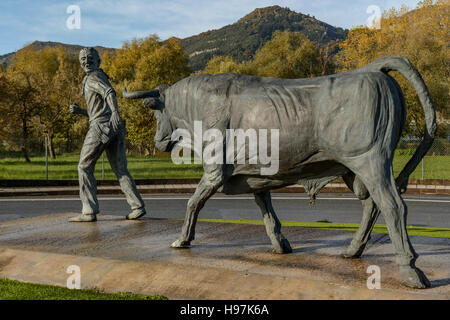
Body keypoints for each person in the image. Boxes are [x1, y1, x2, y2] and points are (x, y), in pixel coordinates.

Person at [68, 47, 146, 222]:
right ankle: (137, 206)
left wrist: (115, 112)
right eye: (82, 59)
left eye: (89, 58)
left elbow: (109, 93)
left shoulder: (93, 77)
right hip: (114, 126)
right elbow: (98, 110)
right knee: (120, 169)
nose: (86, 62)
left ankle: (88, 210)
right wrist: (81, 111)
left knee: (83, 167)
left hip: (101, 126)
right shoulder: (100, 76)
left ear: (98, 61)